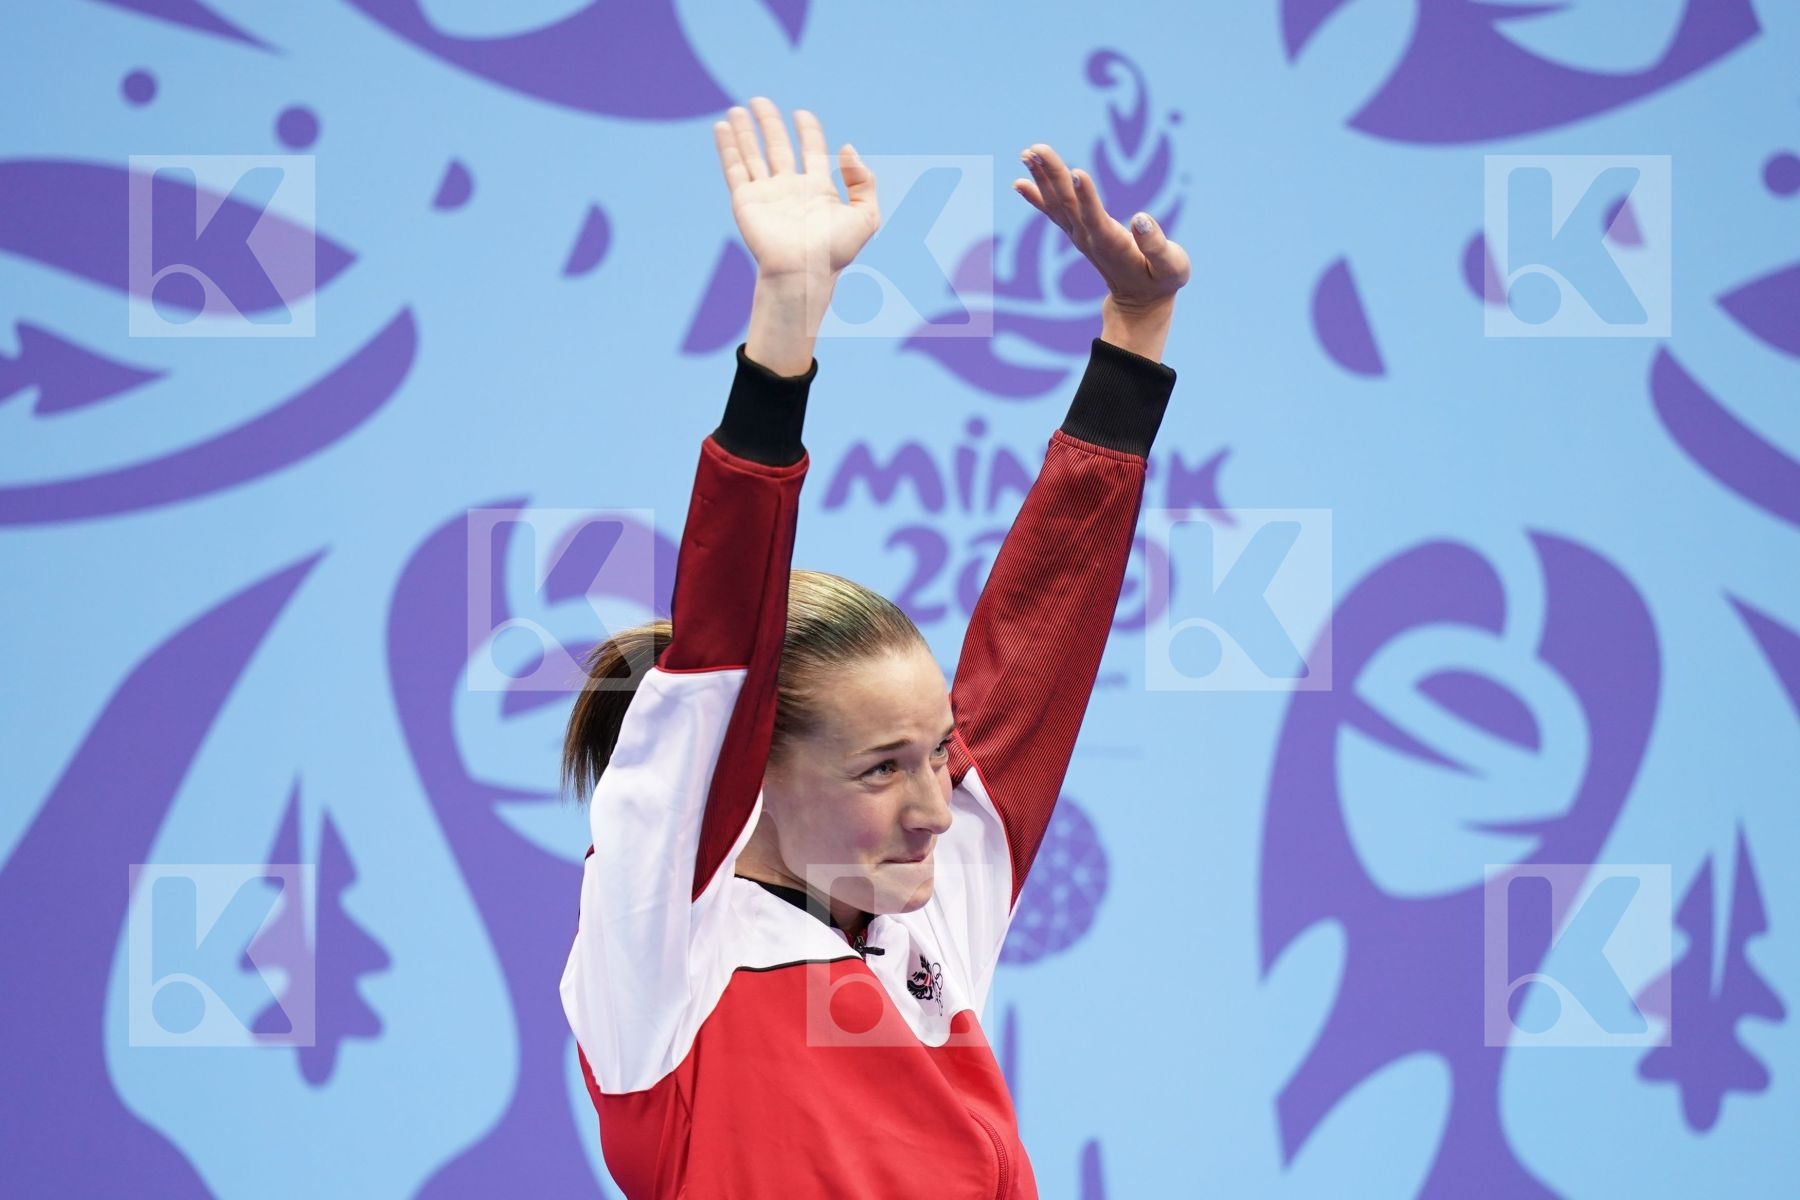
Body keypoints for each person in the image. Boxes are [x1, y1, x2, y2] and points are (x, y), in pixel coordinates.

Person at [559, 95, 1190, 1200]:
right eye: (880, 768)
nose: (937, 807)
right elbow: (720, 654)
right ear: (747, 768)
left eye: (935, 757)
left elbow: (1040, 635)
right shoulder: (665, 959)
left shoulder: (927, 912)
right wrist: (788, 315)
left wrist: (1132, 341)